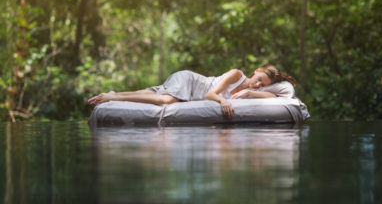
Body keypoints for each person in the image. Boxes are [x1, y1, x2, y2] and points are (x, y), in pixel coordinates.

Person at [88, 64, 296, 118]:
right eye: (259, 79)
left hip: (190, 88)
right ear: (256, 71)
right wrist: (223, 101)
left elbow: (279, 94)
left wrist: (253, 92)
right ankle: (111, 97)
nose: (257, 84)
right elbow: (210, 95)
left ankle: (116, 94)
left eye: (263, 84)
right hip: (191, 81)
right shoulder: (237, 74)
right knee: (167, 100)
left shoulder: (253, 90)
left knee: (155, 93)